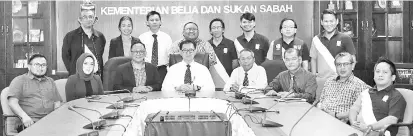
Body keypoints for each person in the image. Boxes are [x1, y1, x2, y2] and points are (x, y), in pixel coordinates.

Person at [349, 57, 406, 136]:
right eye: (377, 71)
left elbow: (392, 119)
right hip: (358, 131)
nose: (380, 75)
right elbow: (354, 109)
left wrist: (369, 127)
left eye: (385, 72)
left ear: (393, 77)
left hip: (380, 133)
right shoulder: (366, 93)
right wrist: (354, 124)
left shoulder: (396, 96)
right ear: (374, 76)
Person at [7, 54, 62, 131]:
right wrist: (24, 117)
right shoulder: (19, 80)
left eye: (43, 65)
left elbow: (57, 102)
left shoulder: (50, 81)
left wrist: (56, 117)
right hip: (29, 122)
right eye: (37, 65)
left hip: (49, 121)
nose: (40, 68)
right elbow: (12, 102)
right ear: (29, 67)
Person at [310, 9, 356, 99]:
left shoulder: (345, 38)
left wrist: (348, 76)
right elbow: (313, 59)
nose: (329, 24)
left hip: (340, 79)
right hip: (321, 81)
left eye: (331, 21)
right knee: (319, 108)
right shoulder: (316, 40)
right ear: (321, 22)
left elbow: (353, 59)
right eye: (326, 21)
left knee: (338, 107)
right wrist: (314, 77)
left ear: (337, 21)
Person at [169, 22, 228, 88]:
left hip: (200, 79)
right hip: (179, 78)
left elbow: (212, 64)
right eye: (189, 29)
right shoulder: (175, 45)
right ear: (183, 32)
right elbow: (171, 64)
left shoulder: (206, 45)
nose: (191, 31)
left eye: (194, 29)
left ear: (198, 32)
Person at [318, 52, 370, 122]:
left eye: (345, 64)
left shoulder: (359, 85)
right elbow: (321, 101)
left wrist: (336, 115)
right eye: (339, 64)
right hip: (322, 118)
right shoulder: (329, 81)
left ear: (352, 65)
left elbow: (361, 111)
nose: (342, 68)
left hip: (341, 123)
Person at [62, 2, 106, 76]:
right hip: (77, 76)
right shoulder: (70, 36)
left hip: (95, 76)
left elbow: (100, 55)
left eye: (90, 17)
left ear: (95, 19)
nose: (88, 19)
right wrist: (73, 72)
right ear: (79, 19)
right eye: (84, 17)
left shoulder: (100, 36)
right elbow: (65, 56)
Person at [139, 11, 172, 85]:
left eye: (157, 20)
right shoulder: (141, 38)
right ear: (147, 23)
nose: (154, 22)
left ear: (160, 22)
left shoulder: (167, 37)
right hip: (146, 69)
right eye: (152, 20)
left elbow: (170, 56)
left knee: (163, 91)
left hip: (162, 69)